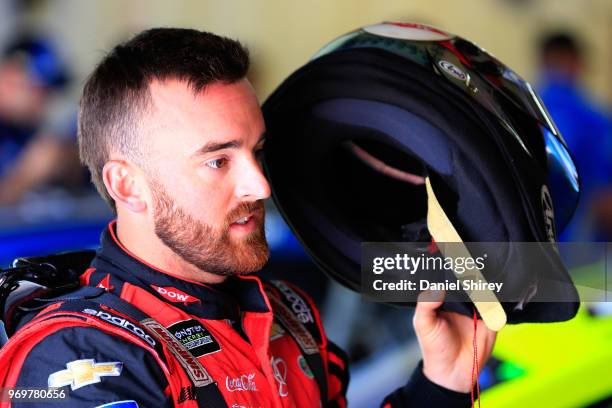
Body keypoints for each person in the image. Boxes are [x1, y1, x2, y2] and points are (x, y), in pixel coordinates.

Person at [0, 28, 495, 407]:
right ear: (127, 185)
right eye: (218, 160)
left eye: (257, 152)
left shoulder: (288, 313)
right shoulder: (76, 359)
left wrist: (443, 383)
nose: (260, 185)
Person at [537, 31, 612, 242]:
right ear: (575, 61)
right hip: (579, 244)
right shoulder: (592, 119)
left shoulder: (519, 109)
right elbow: (605, 199)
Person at [0, 35, 82, 205]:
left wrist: (69, 162)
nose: (44, 101)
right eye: (39, 89)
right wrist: (25, 177)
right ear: (9, 77)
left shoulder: (24, 129)